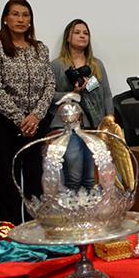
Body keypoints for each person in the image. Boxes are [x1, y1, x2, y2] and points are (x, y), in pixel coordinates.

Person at [0, 0, 55, 224]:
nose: (21, 19)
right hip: (4, 125)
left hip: (36, 124)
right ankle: (11, 238)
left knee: (34, 183)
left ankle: (36, 233)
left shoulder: (40, 48)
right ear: (5, 18)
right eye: (15, 14)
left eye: (25, 15)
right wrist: (20, 118)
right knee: (9, 183)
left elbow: (49, 84)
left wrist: (36, 116)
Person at [49, 19, 113, 190]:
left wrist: (110, 121)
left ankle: (90, 213)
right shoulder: (57, 65)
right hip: (67, 126)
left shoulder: (96, 65)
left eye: (85, 33)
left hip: (94, 125)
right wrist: (72, 94)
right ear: (68, 38)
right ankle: (73, 213)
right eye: (77, 32)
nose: (82, 36)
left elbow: (106, 94)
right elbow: (48, 96)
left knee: (92, 177)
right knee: (74, 175)